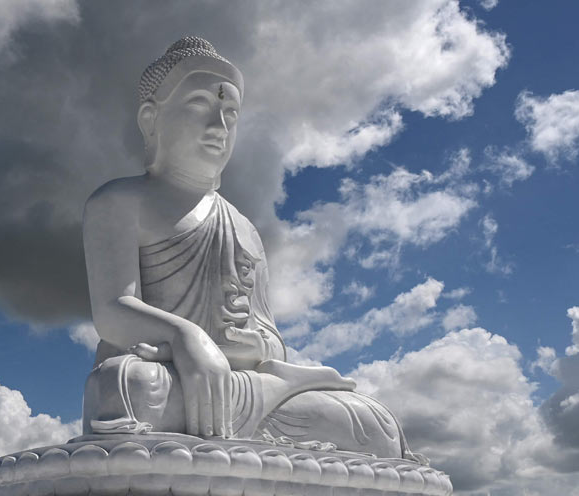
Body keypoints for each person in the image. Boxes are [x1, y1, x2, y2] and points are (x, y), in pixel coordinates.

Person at [80, 36, 420, 461]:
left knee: (373, 423)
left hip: (242, 388)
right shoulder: (118, 202)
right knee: (123, 389)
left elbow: (270, 341)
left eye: (230, 114)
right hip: (165, 381)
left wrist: (252, 347)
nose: (218, 126)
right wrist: (186, 336)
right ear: (151, 120)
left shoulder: (243, 227)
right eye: (199, 105)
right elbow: (113, 310)